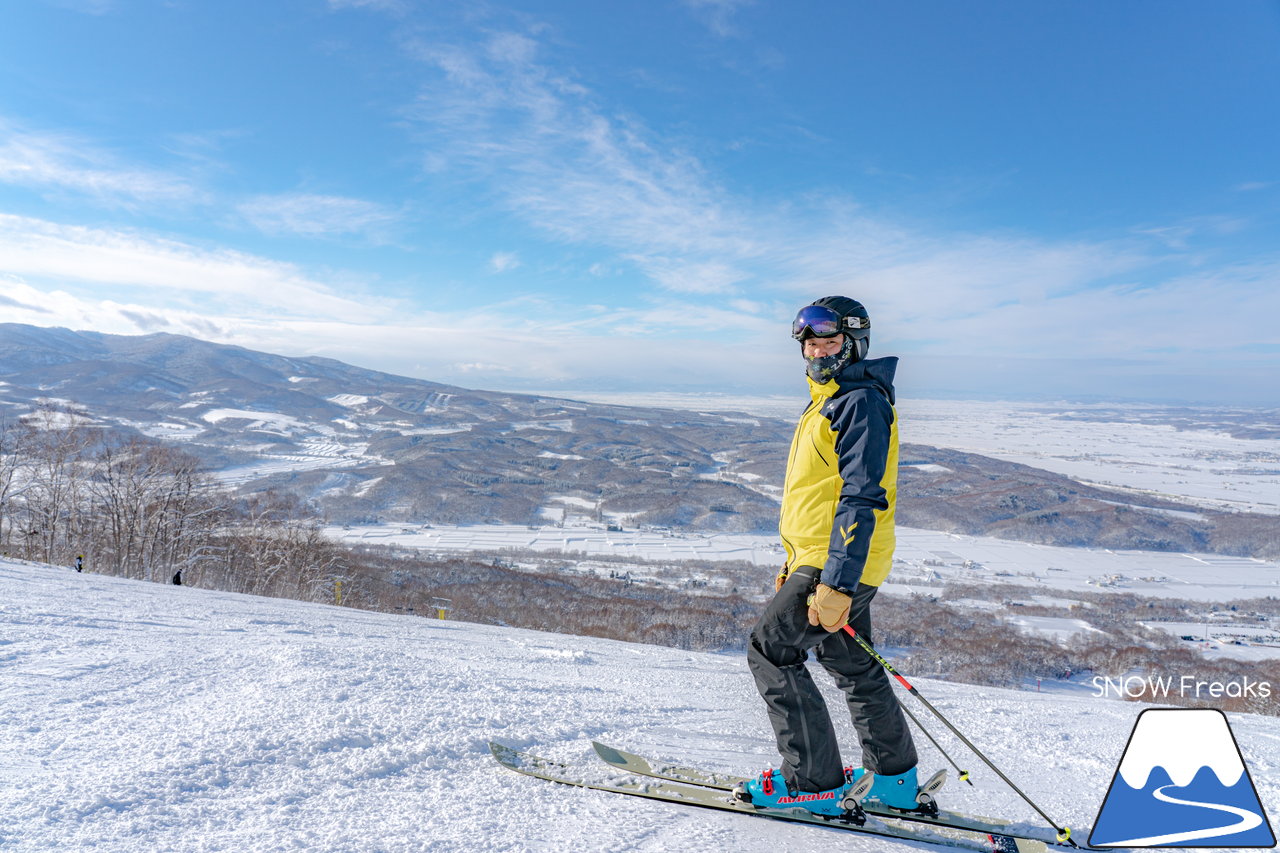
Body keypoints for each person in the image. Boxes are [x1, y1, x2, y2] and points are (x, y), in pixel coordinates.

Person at [738, 296, 920, 816]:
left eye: (830, 342)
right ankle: (893, 780)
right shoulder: (833, 398)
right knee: (851, 662)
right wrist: (798, 568)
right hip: (833, 559)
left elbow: (861, 495)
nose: (818, 352)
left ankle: (811, 783)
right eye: (811, 343)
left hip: (839, 560)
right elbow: (819, 494)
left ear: (855, 343)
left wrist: (834, 582)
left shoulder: (857, 402)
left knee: (771, 650)